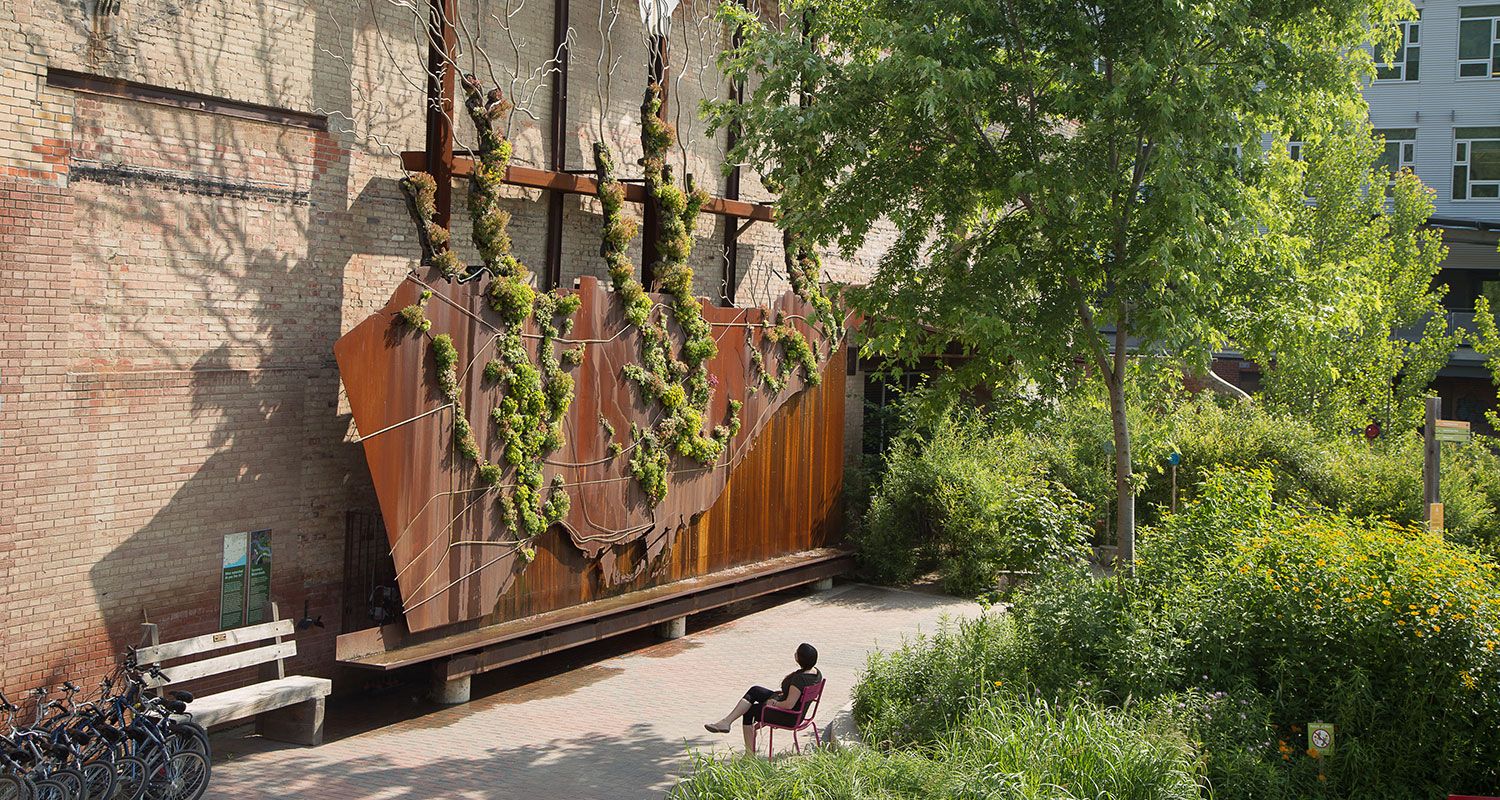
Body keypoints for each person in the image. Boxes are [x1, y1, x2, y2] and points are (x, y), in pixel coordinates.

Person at [704, 642, 822, 754]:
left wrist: (774, 703)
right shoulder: (816, 673)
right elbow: (795, 697)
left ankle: (749, 755)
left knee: (749, 712)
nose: (794, 653)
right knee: (755, 690)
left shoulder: (800, 680)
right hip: (795, 712)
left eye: (797, 653)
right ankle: (726, 722)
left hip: (789, 716)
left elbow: (789, 704)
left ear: (800, 659)